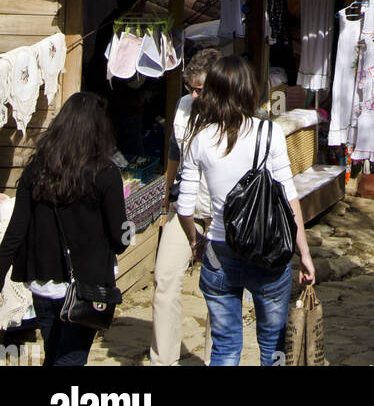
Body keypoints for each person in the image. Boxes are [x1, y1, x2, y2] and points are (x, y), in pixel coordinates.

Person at [176, 55, 315, 367]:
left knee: (224, 349)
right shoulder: (270, 133)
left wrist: (195, 241)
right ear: (248, 91)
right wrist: (303, 253)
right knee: (273, 346)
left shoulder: (198, 139)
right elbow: (290, 199)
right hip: (267, 250)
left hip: (218, 250)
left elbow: (184, 207)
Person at [0, 92, 129, 367]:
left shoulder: (36, 170)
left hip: (43, 287)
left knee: (55, 354)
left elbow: (15, 232)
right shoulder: (105, 173)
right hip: (86, 288)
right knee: (70, 359)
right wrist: (129, 220)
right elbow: (121, 238)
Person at [149, 46, 220, 366]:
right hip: (185, 205)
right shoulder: (183, 107)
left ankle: (215, 360)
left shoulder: (235, 114)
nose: (193, 95)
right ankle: (163, 359)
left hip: (222, 211)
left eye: (199, 89)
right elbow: (175, 151)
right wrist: (166, 193)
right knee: (164, 279)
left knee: (218, 292)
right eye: (189, 88)